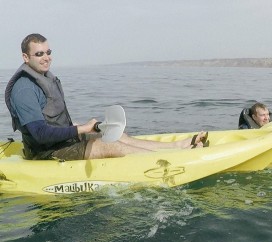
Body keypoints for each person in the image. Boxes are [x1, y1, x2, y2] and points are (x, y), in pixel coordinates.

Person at [4, 33, 207, 160]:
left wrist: (83, 127)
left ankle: (178, 146)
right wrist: (81, 129)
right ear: (25, 57)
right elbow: (39, 133)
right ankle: (175, 161)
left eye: (48, 52)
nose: (46, 57)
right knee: (112, 145)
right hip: (45, 152)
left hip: (60, 141)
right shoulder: (24, 89)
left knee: (118, 135)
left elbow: (53, 119)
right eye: (39, 54)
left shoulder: (45, 77)